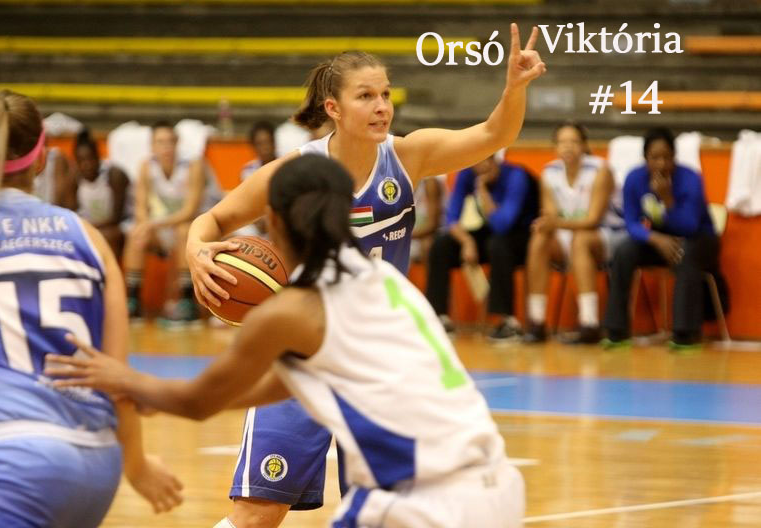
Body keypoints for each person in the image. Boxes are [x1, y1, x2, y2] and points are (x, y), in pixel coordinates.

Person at [186, 25, 543, 528]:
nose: (381, 107)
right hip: (305, 353)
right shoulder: (297, 174)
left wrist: (514, 90)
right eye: (366, 96)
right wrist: (196, 251)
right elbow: (213, 220)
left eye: (385, 95)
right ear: (333, 108)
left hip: (376, 369)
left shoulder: (409, 155)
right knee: (257, 512)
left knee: (383, 516)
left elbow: (492, 136)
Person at [45, 154, 526, 528]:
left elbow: (197, 401)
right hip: (498, 487)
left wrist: (124, 379)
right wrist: (154, 396)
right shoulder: (384, 279)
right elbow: (285, 383)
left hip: (424, 504)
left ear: (273, 221)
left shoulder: (293, 311)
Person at [0, 90, 182, 527]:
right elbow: (115, 372)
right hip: (94, 465)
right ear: (42, 159)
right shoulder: (87, 235)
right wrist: (136, 464)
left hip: (1, 455)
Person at [603, 127, 720, 349]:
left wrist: (667, 199)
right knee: (624, 251)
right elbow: (631, 223)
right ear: (645, 158)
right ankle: (616, 330)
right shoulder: (635, 179)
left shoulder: (690, 178)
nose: (661, 164)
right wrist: (656, 239)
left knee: (685, 253)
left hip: (699, 239)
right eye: (655, 158)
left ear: (674, 156)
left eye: (667, 157)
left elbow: (690, 225)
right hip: (659, 238)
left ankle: (685, 333)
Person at [523, 121, 622, 344]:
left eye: (574, 141)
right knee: (540, 238)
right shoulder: (549, 172)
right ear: (555, 147)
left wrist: (555, 223)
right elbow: (550, 217)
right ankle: (537, 323)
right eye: (562, 142)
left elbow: (593, 220)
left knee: (581, 239)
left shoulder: (601, 170)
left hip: (608, 236)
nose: (568, 147)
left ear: (584, 145)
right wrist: (545, 225)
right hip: (570, 236)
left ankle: (589, 324)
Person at [426, 152, 538, 341]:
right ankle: (439, 317)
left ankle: (507, 321)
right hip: (490, 236)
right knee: (441, 244)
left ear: (494, 160)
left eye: (486, 160)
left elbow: (503, 224)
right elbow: (451, 218)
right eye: (476, 161)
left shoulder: (516, 175)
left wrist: (482, 189)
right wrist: (467, 242)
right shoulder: (466, 174)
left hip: (521, 236)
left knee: (498, 245)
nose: (481, 165)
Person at [124, 121, 206, 327]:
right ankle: (133, 301)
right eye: (160, 142)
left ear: (177, 143)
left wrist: (155, 224)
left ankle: (188, 303)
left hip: (194, 226)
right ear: (152, 146)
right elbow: (140, 208)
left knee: (184, 230)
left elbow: (190, 211)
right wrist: (146, 226)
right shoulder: (146, 166)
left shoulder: (193, 164)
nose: (166, 147)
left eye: (170, 141)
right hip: (163, 227)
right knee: (136, 232)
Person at [72, 128, 130, 261]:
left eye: (90, 159)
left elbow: (116, 218)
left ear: (98, 156)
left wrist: (90, 228)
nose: (86, 165)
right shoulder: (73, 179)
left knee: (110, 235)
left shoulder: (115, 174)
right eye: (81, 161)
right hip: (91, 227)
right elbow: (71, 213)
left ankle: (109, 273)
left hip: (120, 226)